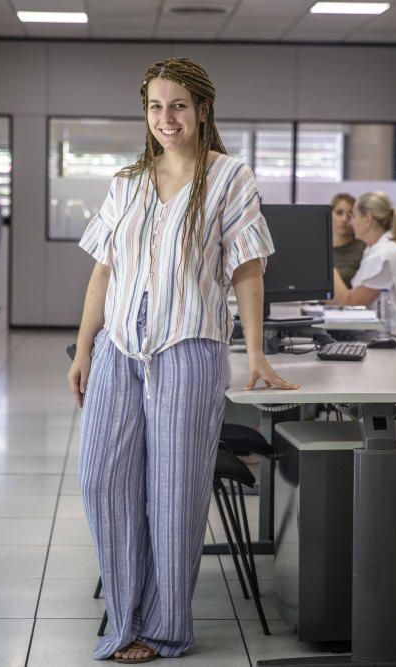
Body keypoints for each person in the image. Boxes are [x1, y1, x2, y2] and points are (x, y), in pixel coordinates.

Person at [66, 57, 298, 664]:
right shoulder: (128, 181)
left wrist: (255, 354)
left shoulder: (228, 178)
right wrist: (84, 346)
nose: (166, 118)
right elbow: (103, 272)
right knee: (101, 479)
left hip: (189, 349)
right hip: (120, 348)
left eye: (177, 106)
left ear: (201, 110)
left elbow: (248, 272)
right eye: (155, 107)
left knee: (174, 495)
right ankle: (124, 616)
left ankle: (165, 627)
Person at [331, 191, 396, 332]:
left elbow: (351, 302)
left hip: (390, 336)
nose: (350, 223)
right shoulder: (375, 249)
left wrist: (327, 264)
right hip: (379, 330)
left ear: (368, 219)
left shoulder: (383, 255)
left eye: (354, 216)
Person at [330, 193, 365, 286]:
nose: (344, 219)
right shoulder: (318, 248)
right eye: (339, 213)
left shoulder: (363, 248)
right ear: (330, 214)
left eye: (350, 215)